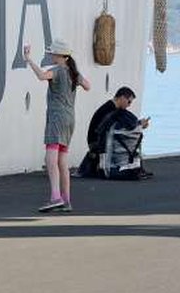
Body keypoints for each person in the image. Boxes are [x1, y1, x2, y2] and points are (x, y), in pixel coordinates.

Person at [24, 39, 91, 213]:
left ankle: (55, 197)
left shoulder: (58, 70)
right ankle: (66, 200)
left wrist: (29, 60)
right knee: (62, 161)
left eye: (53, 53)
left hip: (56, 118)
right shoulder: (73, 72)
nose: (51, 55)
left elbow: (41, 76)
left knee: (50, 159)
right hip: (70, 118)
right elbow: (88, 86)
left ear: (62, 56)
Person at [79, 86, 151, 178]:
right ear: (122, 98)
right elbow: (115, 128)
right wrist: (139, 125)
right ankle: (131, 167)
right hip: (97, 142)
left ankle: (133, 167)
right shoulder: (111, 110)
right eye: (129, 102)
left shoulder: (112, 108)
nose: (129, 105)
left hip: (98, 139)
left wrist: (138, 125)